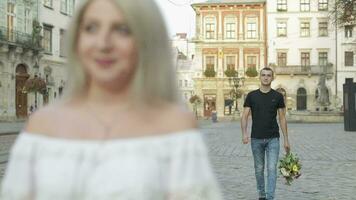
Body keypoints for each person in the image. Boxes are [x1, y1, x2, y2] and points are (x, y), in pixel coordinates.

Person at [0, 0, 222, 199]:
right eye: (91, 28)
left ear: (146, 41)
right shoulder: (43, 125)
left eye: (122, 30)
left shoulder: (174, 127)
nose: (103, 43)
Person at [241, 67, 290, 200]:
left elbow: (282, 118)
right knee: (259, 169)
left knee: (272, 169)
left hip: (273, 138)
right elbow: (244, 116)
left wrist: (286, 139)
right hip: (256, 138)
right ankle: (262, 194)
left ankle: (270, 197)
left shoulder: (278, 96)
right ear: (260, 77)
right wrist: (244, 133)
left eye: (268, 75)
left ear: (272, 77)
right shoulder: (251, 96)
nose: (266, 77)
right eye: (263, 75)